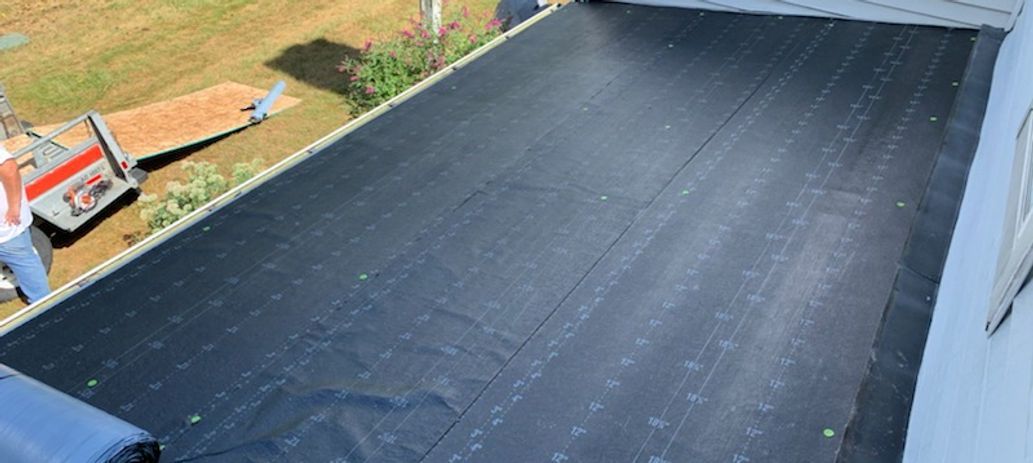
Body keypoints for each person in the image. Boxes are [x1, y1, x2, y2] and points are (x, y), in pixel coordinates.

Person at [0, 144, 49, 303]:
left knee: (25, 265)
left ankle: (42, 304)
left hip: (6, 231)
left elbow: (10, 169)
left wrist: (14, 207)